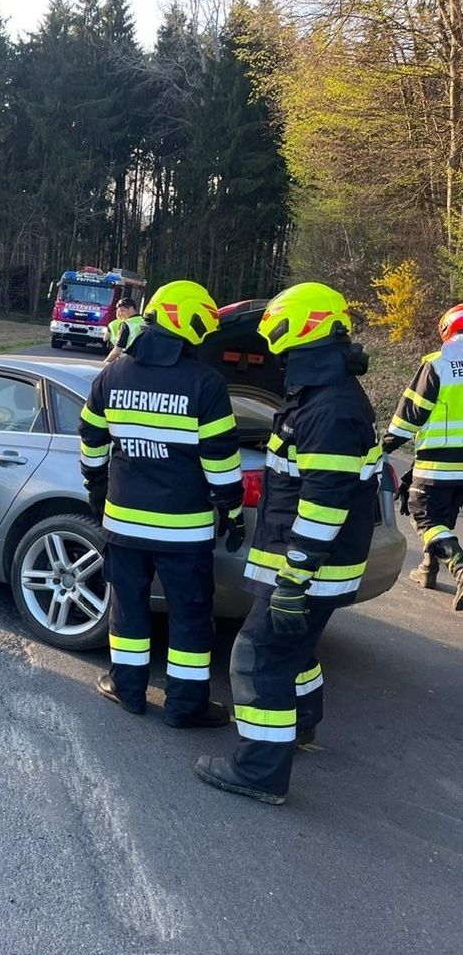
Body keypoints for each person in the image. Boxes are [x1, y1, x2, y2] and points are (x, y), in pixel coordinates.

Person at [195, 282, 380, 805]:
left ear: (301, 326)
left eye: (276, 326)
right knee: (294, 652)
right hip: (313, 561)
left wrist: (295, 577)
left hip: (308, 567)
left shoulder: (329, 407)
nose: (269, 338)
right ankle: (300, 723)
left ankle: (258, 771)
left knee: (256, 658)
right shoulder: (323, 394)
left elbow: (323, 505)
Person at [79, 280, 244, 728]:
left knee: (128, 608)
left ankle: (127, 690)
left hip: (123, 524)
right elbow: (221, 460)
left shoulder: (112, 375)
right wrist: (232, 511)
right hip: (183, 531)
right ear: (188, 322)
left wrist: (95, 486)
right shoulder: (206, 383)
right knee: (189, 616)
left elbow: (91, 438)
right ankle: (185, 707)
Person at [382, 304, 463, 606]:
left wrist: (385, 445)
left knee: (426, 517)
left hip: (439, 463)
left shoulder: (438, 364)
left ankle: (459, 567)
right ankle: (428, 568)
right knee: (443, 516)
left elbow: (412, 413)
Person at [104, 297, 145, 364]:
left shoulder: (127, 324)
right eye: (119, 311)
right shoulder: (145, 322)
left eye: (122, 311)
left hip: (127, 361)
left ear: (131, 309)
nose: (120, 314)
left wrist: (104, 364)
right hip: (143, 360)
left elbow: (117, 351)